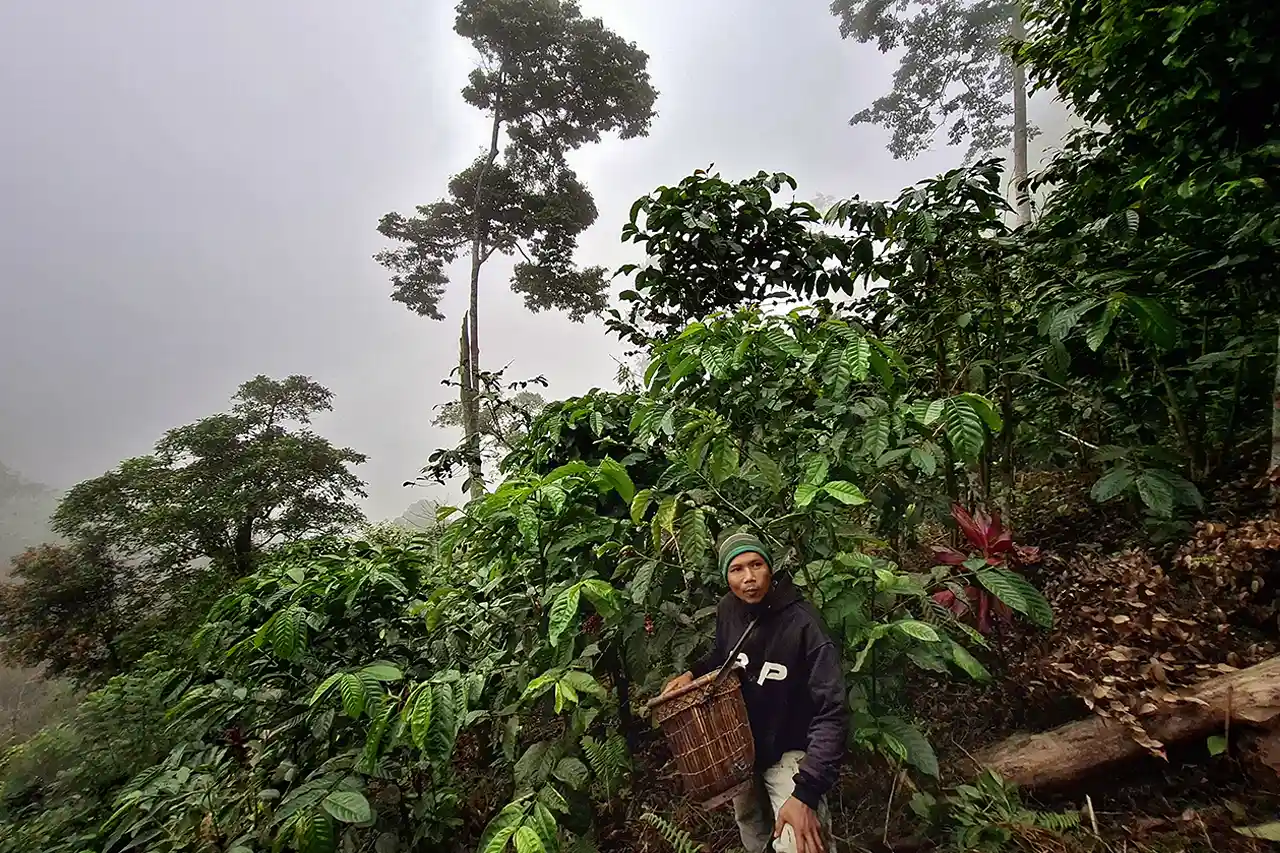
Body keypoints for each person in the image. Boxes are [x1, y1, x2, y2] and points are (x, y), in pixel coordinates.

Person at [662, 532, 848, 853]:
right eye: (737, 570)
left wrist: (805, 794)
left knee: (797, 844)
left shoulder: (803, 624)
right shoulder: (729, 609)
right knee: (753, 829)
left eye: (756, 565)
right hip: (742, 752)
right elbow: (726, 655)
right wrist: (692, 672)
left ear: (769, 568)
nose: (749, 578)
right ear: (726, 576)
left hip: (790, 751)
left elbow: (832, 711)